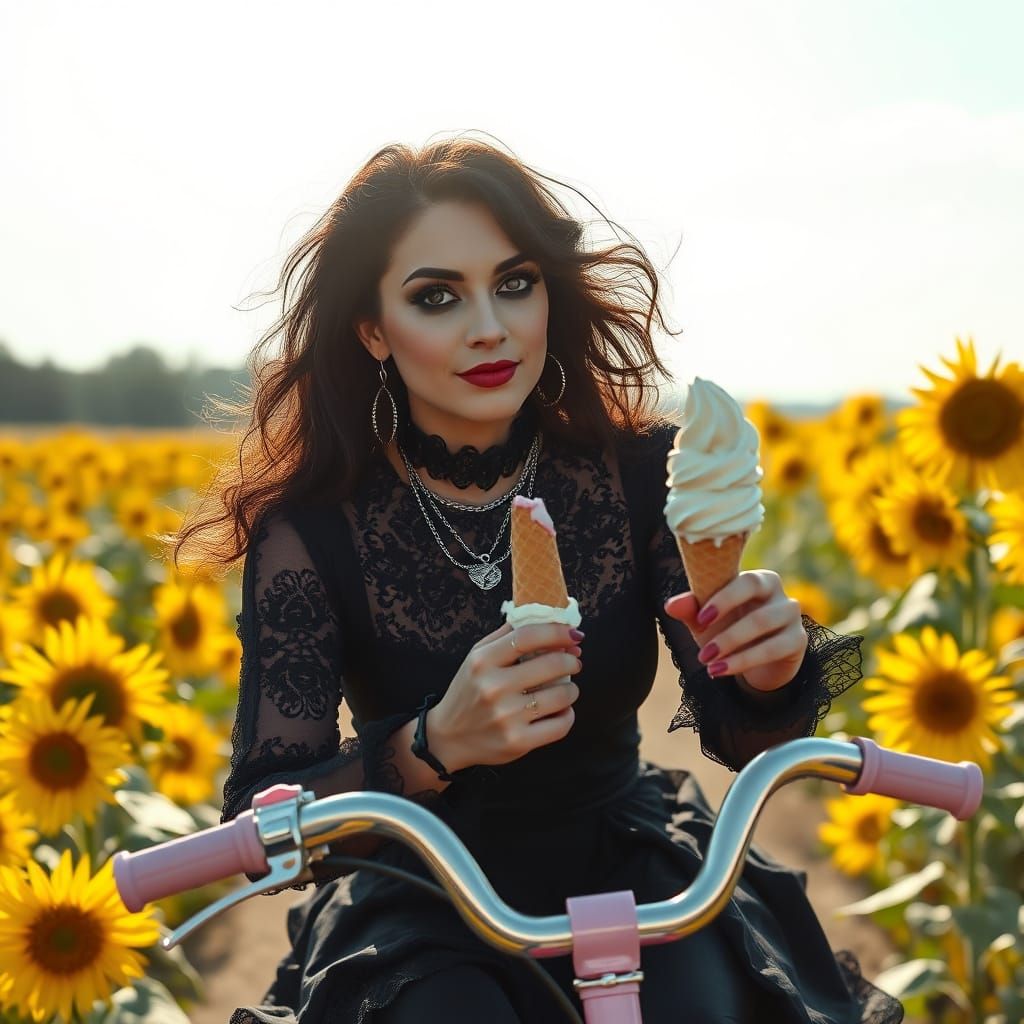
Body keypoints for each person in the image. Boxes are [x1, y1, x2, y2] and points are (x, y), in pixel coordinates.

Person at [173, 135, 903, 1023]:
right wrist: (434, 743)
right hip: (418, 902)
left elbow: (741, 734)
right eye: (436, 297)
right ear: (372, 330)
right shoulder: (311, 531)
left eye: (515, 283)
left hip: (628, 863)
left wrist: (768, 670)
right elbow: (266, 814)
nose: (491, 326)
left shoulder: (639, 473)